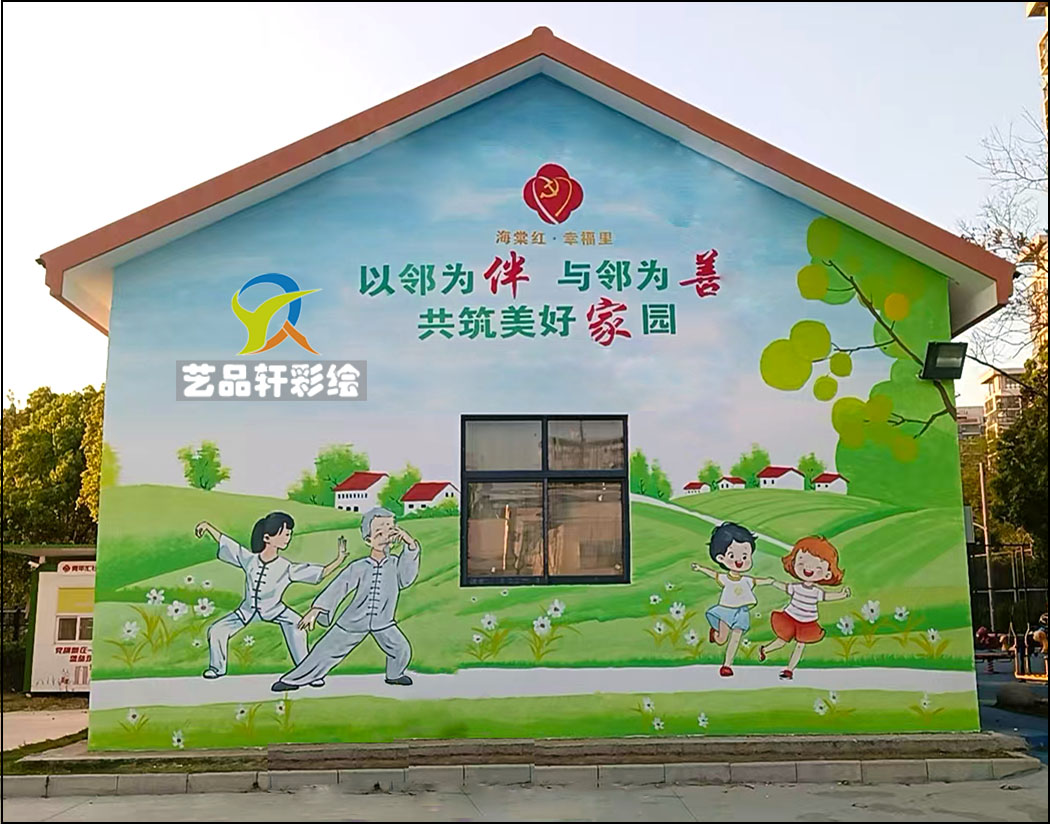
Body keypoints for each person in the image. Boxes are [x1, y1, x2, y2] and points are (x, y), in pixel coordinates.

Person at [270, 507, 420, 692]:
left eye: (390, 530)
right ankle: (293, 680)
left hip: (383, 622)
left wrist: (410, 544)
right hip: (353, 622)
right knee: (326, 651)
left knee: (401, 649)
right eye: (379, 533)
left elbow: (406, 579)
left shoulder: (396, 564)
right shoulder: (359, 566)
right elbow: (338, 587)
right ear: (369, 540)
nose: (385, 537)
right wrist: (316, 610)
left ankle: (395, 675)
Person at [194, 512, 346, 681]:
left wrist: (339, 560)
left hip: (276, 610)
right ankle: (217, 668)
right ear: (267, 538)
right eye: (285, 534)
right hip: (246, 611)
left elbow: (320, 574)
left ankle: (308, 673)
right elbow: (228, 544)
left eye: (289, 534)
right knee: (216, 630)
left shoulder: (286, 567)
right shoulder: (249, 560)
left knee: (298, 627)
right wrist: (207, 527)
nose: (288, 538)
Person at [759, 535, 851, 680]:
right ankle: (765, 649)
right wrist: (773, 582)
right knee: (782, 640)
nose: (808, 568)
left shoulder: (816, 592)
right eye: (802, 562)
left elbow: (827, 596)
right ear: (793, 562)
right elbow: (785, 587)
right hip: (790, 618)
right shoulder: (796, 587)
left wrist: (841, 595)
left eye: (817, 566)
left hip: (807, 622)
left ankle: (789, 669)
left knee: (800, 645)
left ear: (827, 574)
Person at [691, 521, 773, 677]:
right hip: (726, 611)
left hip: (742, 612)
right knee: (722, 639)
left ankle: (727, 665)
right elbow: (714, 574)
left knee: (735, 638)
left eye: (745, 556)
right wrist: (700, 568)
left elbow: (757, 581)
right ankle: (715, 635)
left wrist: (769, 581)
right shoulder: (725, 578)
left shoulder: (747, 580)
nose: (739, 560)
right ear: (721, 558)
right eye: (732, 556)